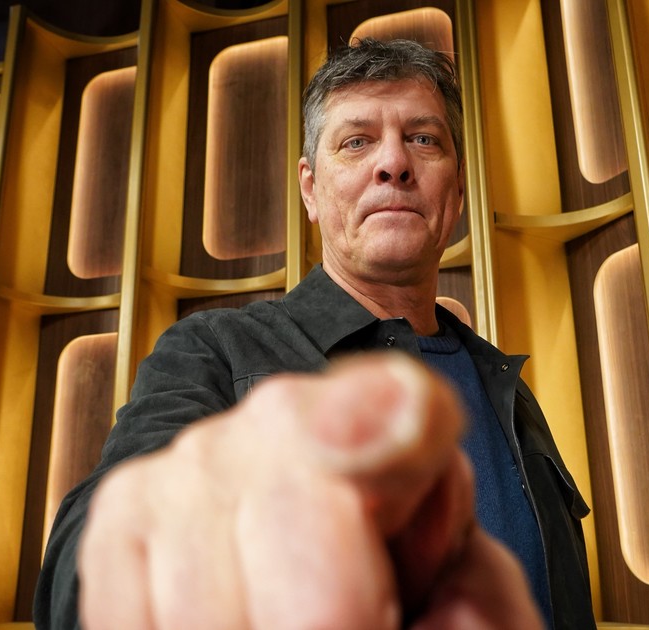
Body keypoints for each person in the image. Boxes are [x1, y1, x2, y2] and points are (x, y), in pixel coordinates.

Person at [35, 38, 596, 629]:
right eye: (357, 142)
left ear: (456, 191)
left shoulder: (507, 388)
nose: (394, 162)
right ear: (310, 189)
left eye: (423, 139)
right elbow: (91, 561)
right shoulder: (214, 351)